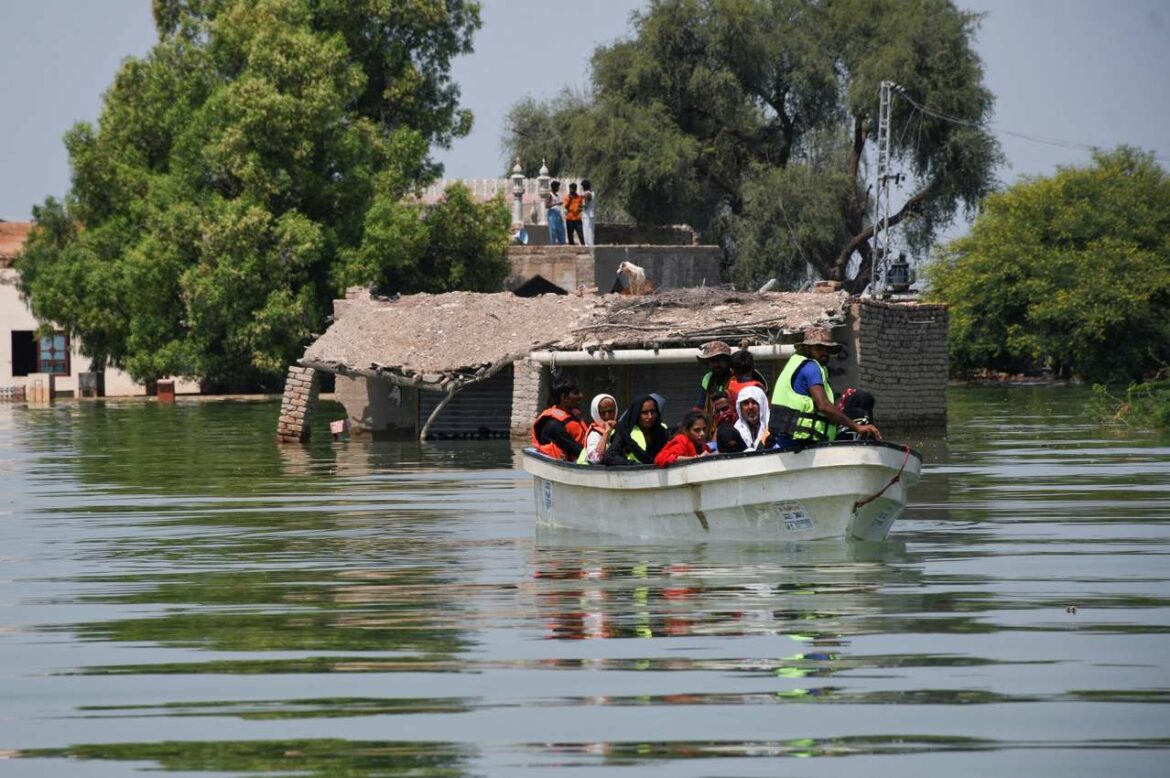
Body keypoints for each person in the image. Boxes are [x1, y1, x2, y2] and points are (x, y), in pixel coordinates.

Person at [770, 328, 882, 447]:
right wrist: (857, 427)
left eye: (828, 349)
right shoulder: (811, 367)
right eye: (819, 348)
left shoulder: (795, 363)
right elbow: (823, 406)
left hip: (786, 436)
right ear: (807, 348)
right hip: (800, 440)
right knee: (858, 417)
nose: (825, 353)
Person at [604, 394, 669, 466]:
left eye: (653, 411)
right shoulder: (624, 431)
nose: (650, 416)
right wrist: (634, 465)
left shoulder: (661, 431)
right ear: (636, 414)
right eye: (645, 413)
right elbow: (610, 457)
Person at [532, 378, 586, 460]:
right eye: (576, 393)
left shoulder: (573, 415)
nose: (581, 396)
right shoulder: (554, 425)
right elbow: (577, 451)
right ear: (564, 397)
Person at [716, 385, 774, 453]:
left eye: (754, 402)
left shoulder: (773, 425)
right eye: (746, 403)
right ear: (740, 407)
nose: (750, 407)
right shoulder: (737, 428)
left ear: (762, 404)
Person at [695, 340, 733, 421]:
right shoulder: (708, 378)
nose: (716, 364)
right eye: (712, 361)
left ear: (727, 361)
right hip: (713, 425)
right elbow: (700, 406)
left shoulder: (736, 377)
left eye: (719, 360)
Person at [577, 393, 618, 464]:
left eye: (610, 411)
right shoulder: (594, 434)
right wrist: (606, 433)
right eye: (603, 412)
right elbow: (594, 459)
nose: (607, 416)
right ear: (596, 413)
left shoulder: (617, 428)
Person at [544, 180, 566, 244]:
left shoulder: (557, 195)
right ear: (554, 187)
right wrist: (556, 204)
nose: (558, 188)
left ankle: (562, 245)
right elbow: (546, 205)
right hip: (552, 214)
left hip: (558, 214)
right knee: (553, 231)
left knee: (561, 230)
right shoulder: (550, 195)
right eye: (557, 187)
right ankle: (553, 246)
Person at [581, 179, 596, 245]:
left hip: (588, 216)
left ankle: (590, 248)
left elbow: (585, 205)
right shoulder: (592, 193)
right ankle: (589, 247)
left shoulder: (587, 194)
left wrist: (577, 207)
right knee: (589, 233)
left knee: (588, 233)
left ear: (584, 187)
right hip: (590, 215)